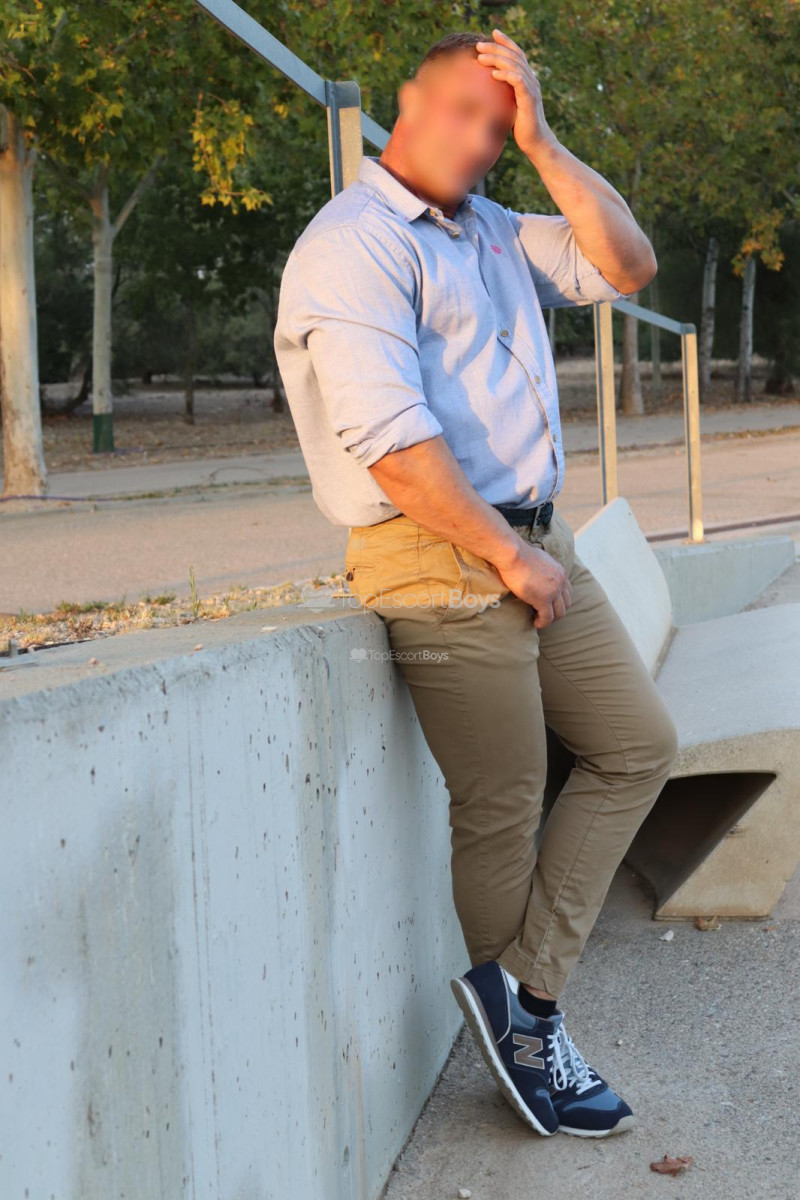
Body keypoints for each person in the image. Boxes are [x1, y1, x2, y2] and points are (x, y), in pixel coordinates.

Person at [273, 27, 679, 1138]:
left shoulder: (492, 228)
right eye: (462, 110)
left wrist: (544, 143)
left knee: (636, 744)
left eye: (497, 127)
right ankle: (532, 1044)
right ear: (405, 100)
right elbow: (390, 443)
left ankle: (523, 1003)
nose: (477, 139)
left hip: (532, 537)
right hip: (432, 548)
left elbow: (627, 266)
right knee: (502, 801)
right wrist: (506, 555)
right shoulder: (354, 243)